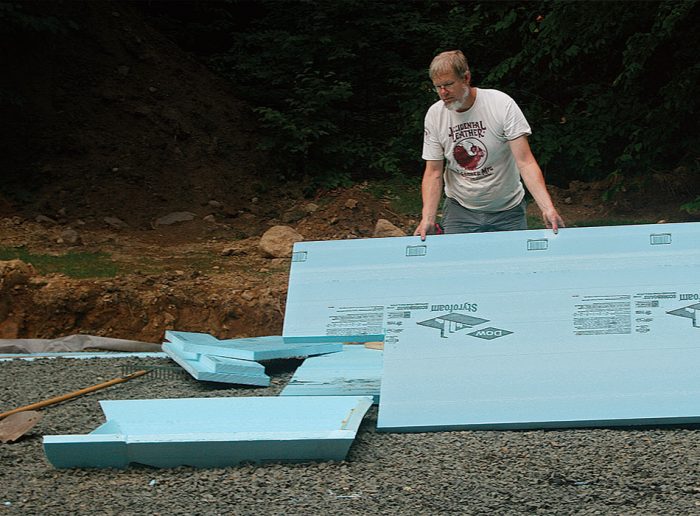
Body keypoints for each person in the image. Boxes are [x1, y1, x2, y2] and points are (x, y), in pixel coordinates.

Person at [414, 50, 565, 240]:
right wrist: (427, 218)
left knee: (513, 268)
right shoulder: (435, 115)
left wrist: (547, 208)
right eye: (438, 87)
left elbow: (525, 162)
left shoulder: (501, 105)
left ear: (466, 78)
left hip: (508, 209)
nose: (443, 93)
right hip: (460, 209)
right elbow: (433, 172)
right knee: (457, 267)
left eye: (449, 84)